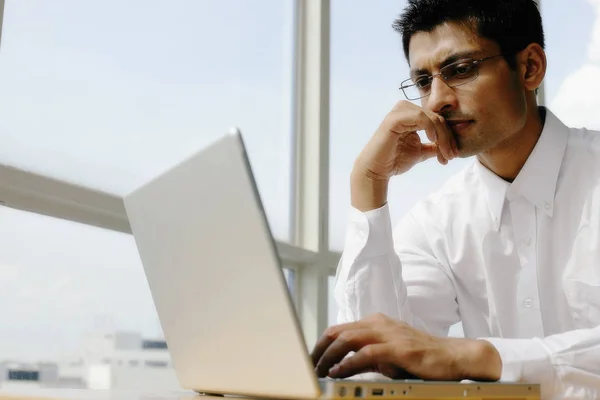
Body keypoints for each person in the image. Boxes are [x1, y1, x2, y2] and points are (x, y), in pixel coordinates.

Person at [310, 0, 600, 398]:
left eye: (460, 71)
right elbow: (372, 367)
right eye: (424, 81)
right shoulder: (438, 222)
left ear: (530, 68)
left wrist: (474, 356)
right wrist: (368, 185)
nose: (435, 102)